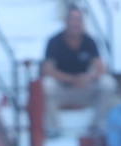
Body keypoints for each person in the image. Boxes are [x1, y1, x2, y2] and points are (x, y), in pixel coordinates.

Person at [42, 5, 116, 137]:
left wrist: (88, 77)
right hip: (62, 89)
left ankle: (96, 127)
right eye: (73, 19)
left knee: (108, 83)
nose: (76, 23)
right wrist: (72, 79)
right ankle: (54, 129)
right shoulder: (54, 41)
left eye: (79, 19)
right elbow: (48, 70)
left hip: (84, 88)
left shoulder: (89, 41)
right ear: (66, 21)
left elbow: (101, 68)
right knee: (46, 85)